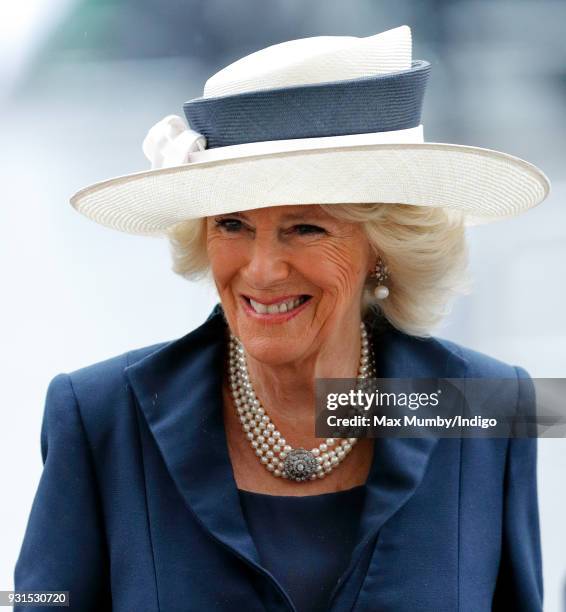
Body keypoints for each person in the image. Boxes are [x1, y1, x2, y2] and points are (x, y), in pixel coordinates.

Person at [14, 25, 548, 611]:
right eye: (232, 225)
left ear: (383, 247)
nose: (262, 270)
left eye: (306, 228)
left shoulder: (484, 407)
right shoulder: (100, 417)